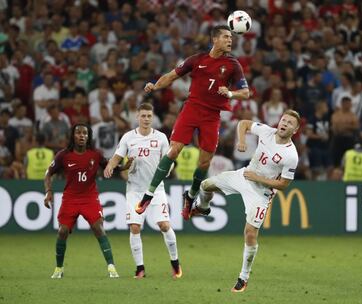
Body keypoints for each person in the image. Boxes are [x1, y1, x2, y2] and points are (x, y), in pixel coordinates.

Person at [136, 25, 249, 220]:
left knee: (204, 161)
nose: (230, 40)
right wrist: (155, 86)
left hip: (212, 116)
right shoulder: (197, 60)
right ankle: (149, 193)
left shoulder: (233, 65)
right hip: (191, 109)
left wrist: (230, 93)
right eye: (225, 37)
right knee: (174, 150)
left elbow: (246, 92)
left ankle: (190, 196)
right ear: (214, 39)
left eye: (231, 37)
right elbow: (171, 76)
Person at [192, 110, 300, 292]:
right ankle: (203, 207)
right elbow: (243, 123)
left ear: (295, 130)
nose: (284, 124)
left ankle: (243, 277)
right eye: (284, 120)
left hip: (261, 192)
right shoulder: (266, 131)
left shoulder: (291, 156)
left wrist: (258, 178)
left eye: (290, 123)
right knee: (205, 185)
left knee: (250, 233)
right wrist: (241, 140)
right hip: (244, 176)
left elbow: (283, 184)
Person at [103, 103, 182, 279]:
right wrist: (110, 166)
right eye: (143, 116)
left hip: (156, 190)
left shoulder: (161, 138)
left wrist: (168, 169)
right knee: (135, 227)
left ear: (152, 117)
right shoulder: (128, 138)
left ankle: (175, 263)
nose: (146, 119)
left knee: (164, 225)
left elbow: (169, 159)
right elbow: (117, 156)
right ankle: (140, 268)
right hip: (134, 190)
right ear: (137, 117)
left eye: (149, 116)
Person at [44, 123, 132, 279]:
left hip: (90, 197)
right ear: (73, 136)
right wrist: (48, 192)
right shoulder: (63, 155)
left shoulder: (95, 154)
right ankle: (58, 268)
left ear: (88, 136)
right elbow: (48, 173)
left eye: (85, 133)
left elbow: (109, 166)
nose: (82, 135)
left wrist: (123, 167)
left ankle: (111, 267)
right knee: (62, 231)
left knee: (99, 228)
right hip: (70, 198)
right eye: (78, 133)